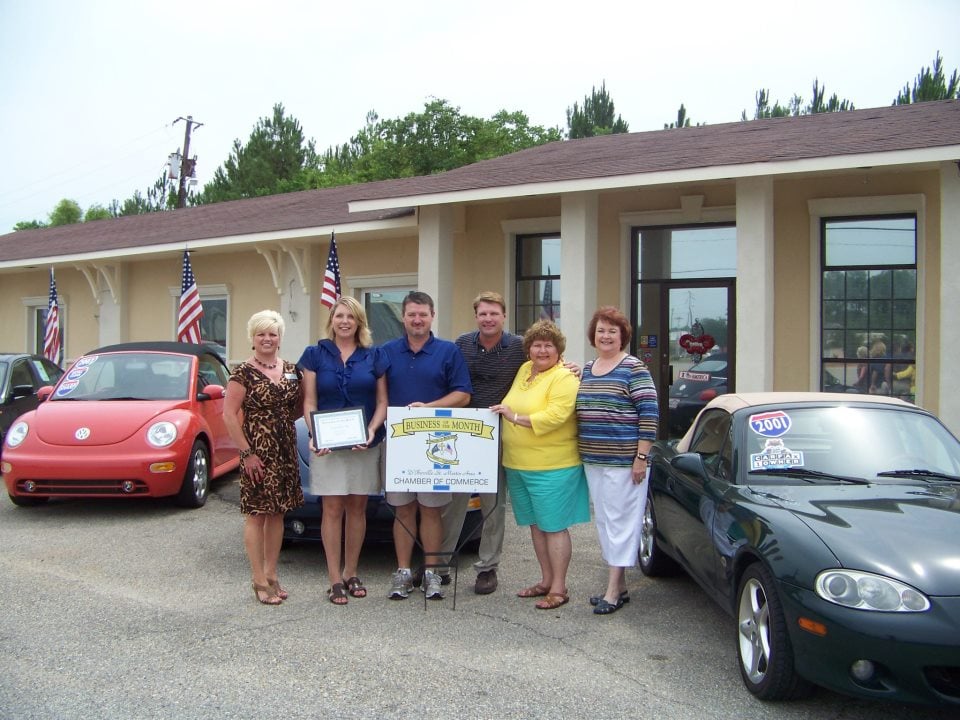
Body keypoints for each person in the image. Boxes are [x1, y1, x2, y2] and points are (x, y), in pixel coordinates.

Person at [491, 320, 588, 610]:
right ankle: (546, 581)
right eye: (536, 345)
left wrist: (514, 417)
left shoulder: (565, 377)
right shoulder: (525, 370)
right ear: (528, 349)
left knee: (554, 527)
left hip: (552, 466)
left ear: (559, 351)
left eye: (548, 345)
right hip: (518, 464)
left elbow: (556, 416)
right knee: (536, 526)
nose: (542, 350)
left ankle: (559, 588)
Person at [381, 291, 472, 600]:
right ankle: (403, 572)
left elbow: (463, 395)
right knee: (403, 509)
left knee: (432, 510)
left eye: (422, 314)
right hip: (399, 442)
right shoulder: (387, 352)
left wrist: (428, 408)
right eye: (411, 314)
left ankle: (432, 571)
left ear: (432, 316)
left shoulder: (448, 351)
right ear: (403, 318)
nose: (417, 320)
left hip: (437, 441)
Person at [298, 296, 387, 606]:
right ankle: (334, 578)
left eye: (350, 316)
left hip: (364, 444)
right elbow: (309, 401)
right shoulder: (314, 355)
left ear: (359, 321)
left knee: (357, 508)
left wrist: (372, 429)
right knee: (332, 509)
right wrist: (314, 434)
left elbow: (382, 402)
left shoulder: (374, 356)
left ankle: (352, 572)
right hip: (328, 446)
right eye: (339, 316)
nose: (345, 321)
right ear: (332, 320)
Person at [440, 291, 527, 595]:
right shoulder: (462, 343)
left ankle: (488, 567)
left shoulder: (519, 347)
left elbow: (546, 365)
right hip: (463, 431)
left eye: (494, 314)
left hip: (497, 432)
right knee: (454, 502)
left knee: (493, 503)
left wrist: (572, 368)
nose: (488, 319)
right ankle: (440, 565)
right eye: (483, 314)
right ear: (476, 316)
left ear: (504, 316)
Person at [575, 307, 659, 615]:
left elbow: (649, 414)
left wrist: (641, 457)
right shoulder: (588, 368)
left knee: (621, 523)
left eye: (612, 331)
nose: (606, 336)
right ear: (593, 335)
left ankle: (613, 591)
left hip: (624, 462)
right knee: (605, 521)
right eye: (601, 330)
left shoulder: (634, 368)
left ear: (623, 336)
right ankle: (619, 585)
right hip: (593, 459)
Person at [223, 310, 304, 605]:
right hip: (256, 452)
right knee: (257, 514)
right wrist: (247, 453)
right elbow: (229, 415)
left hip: (284, 451)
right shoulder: (242, 373)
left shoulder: (292, 369)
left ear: (280, 338)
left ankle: (271, 574)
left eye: (272, 333)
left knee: (278, 513)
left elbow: (298, 407)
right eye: (261, 334)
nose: (267, 339)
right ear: (253, 338)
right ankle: (258, 579)